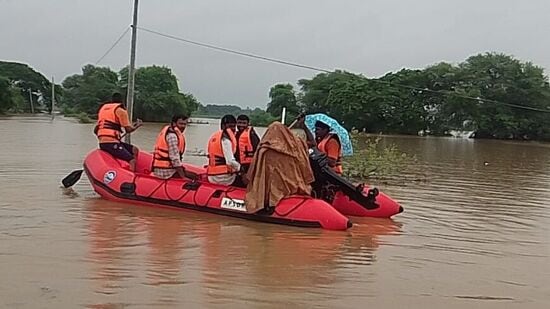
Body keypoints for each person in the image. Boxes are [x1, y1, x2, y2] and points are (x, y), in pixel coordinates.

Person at [95, 92, 142, 171]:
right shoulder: (121, 111)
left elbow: (95, 130)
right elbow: (128, 130)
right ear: (122, 101)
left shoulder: (103, 109)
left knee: (134, 150)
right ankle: (131, 179)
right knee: (132, 160)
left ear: (112, 100)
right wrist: (137, 125)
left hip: (103, 143)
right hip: (112, 143)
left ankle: (131, 171)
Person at [152, 114, 196, 180]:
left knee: (193, 175)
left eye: (185, 124)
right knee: (195, 177)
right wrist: (183, 176)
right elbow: (174, 158)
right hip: (166, 172)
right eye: (181, 124)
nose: (183, 126)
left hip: (166, 168)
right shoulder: (172, 136)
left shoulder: (173, 133)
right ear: (174, 123)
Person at [206, 115, 242, 186]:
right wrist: (241, 169)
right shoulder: (226, 141)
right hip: (224, 178)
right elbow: (230, 162)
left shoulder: (215, 137)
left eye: (234, 126)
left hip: (212, 176)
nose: (233, 129)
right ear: (223, 126)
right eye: (230, 126)